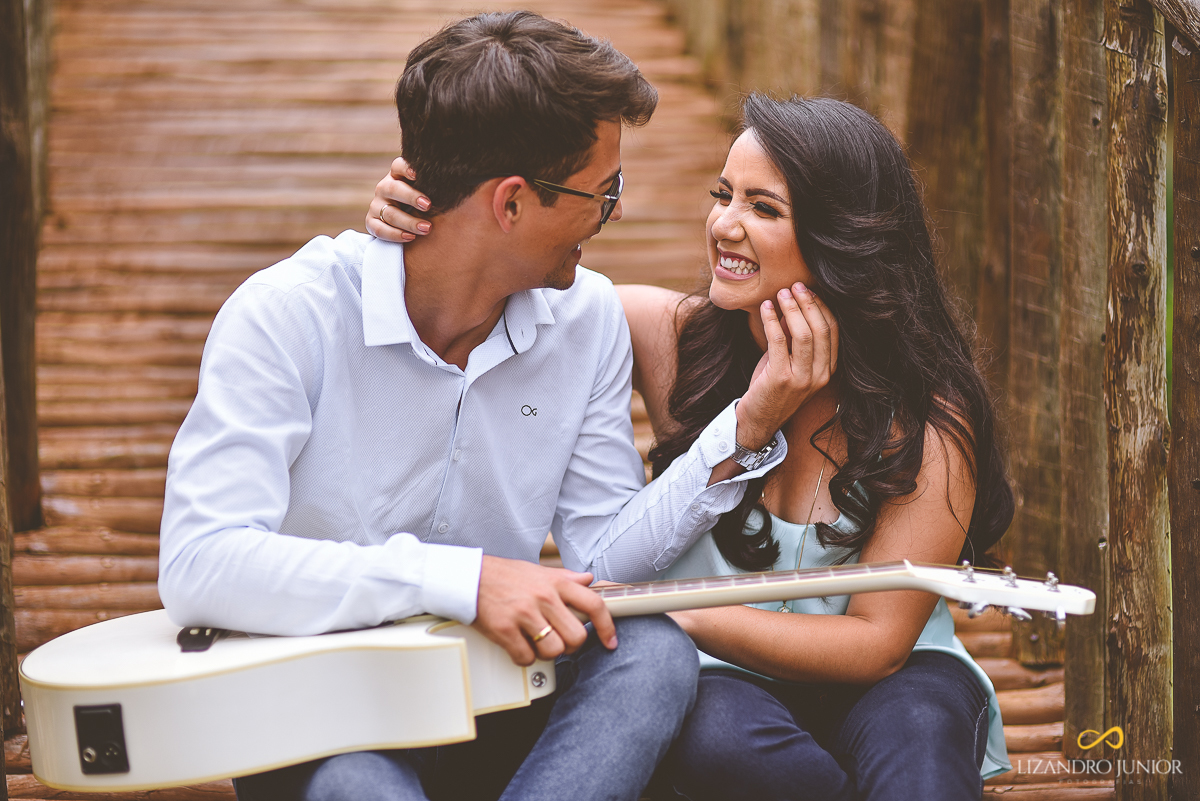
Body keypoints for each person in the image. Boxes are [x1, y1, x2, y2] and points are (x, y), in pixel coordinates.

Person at [159, 13, 833, 801]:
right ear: (511, 203)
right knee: (357, 784)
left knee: (650, 651)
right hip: (323, 713)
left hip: (500, 702)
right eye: (603, 192)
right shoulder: (286, 313)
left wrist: (745, 429)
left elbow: (601, 560)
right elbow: (200, 561)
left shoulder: (586, 323)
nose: (611, 214)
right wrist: (462, 580)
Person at [368, 94, 1016, 800]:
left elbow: (877, 644)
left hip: (895, 678)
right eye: (722, 195)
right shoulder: (670, 336)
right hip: (720, 675)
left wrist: (677, 608)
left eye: (763, 208)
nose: (723, 225)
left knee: (921, 741)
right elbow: (512, 272)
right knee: (717, 741)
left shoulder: (927, 419)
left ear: (844, 240)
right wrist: (433, 223)